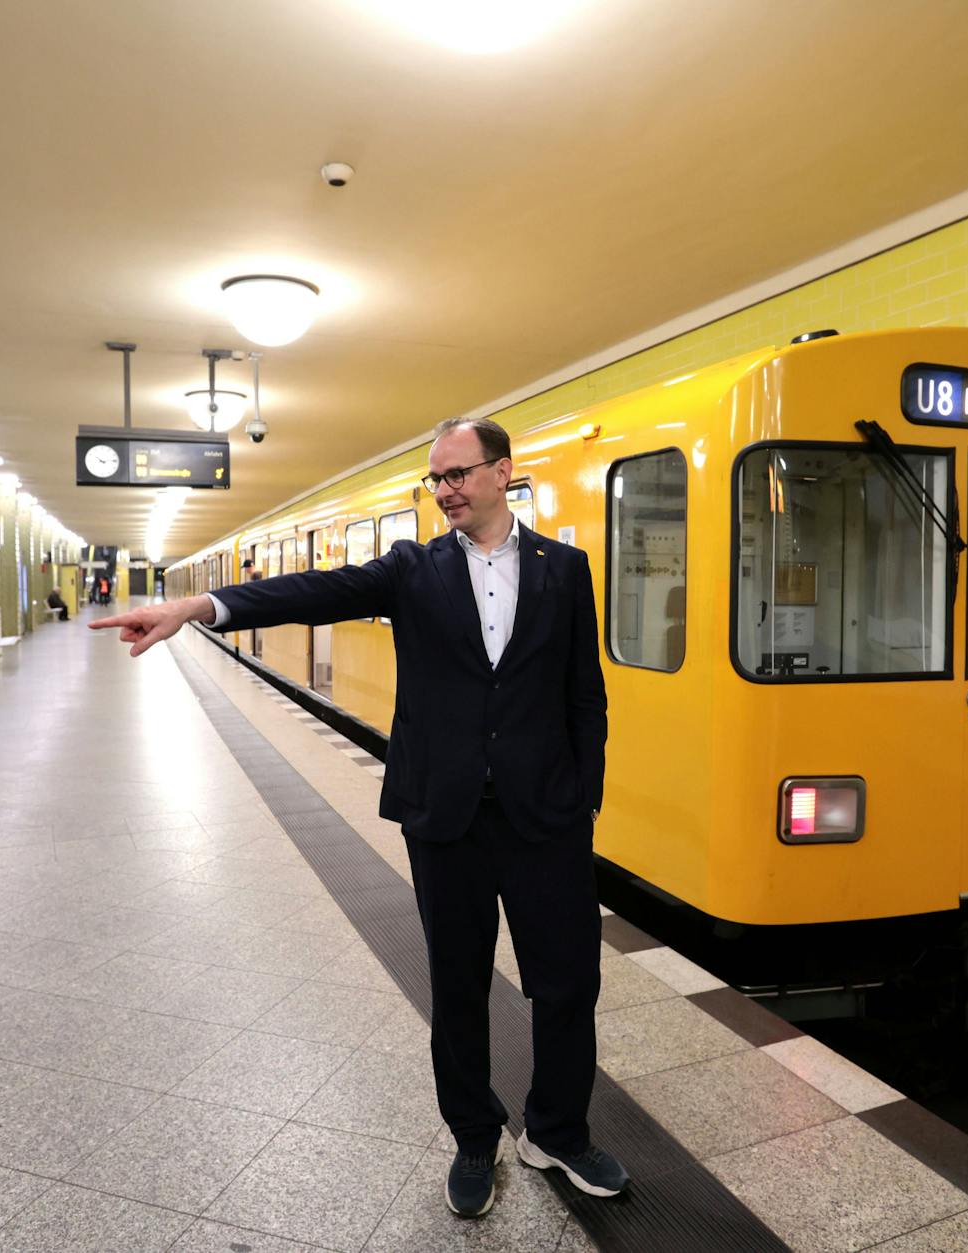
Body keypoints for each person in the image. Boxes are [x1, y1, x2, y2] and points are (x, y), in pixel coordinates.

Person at [92, 417, 625, 1218]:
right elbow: (316, 590)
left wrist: (585, 792)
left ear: (503, 472)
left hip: (545, 816)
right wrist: (202, 604)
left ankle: (556, 1130)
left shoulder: (566, 568)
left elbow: (585, 691)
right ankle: (475, 1136)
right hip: (445, 816)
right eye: (435, 477)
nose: (444, 489)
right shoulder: (414, 568)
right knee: (457, 985)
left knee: (568, 982)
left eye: (457, 474)